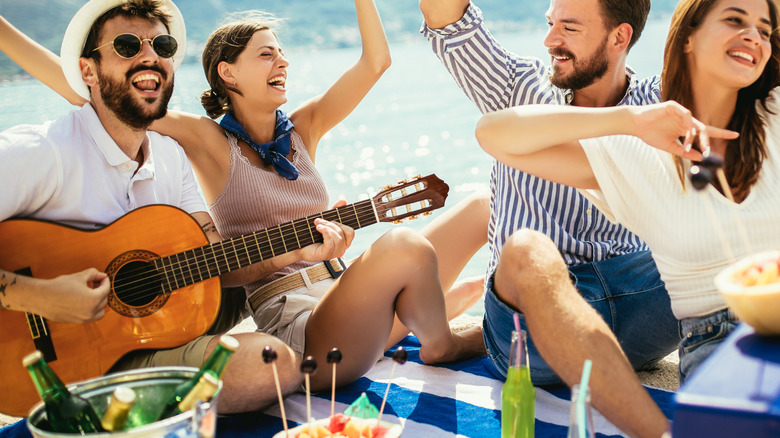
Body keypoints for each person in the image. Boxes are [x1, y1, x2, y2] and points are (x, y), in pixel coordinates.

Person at [0, 0, 486, 397]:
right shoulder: (207, 141)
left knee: (481, 206)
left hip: (339, 290)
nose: (284, 62)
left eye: (282, 53)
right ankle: (434, 335)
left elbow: (376, 63)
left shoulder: (304, 128)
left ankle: (414, 315)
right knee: (402, 245)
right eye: (267, 54)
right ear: (227, 73)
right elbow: (101, 95)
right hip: (297, 315)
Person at [477, 0, 780, 433]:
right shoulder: (639, 151)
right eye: (734, 20)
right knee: (525, 247)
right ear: (689, 37)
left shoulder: (775, 116)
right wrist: (629, 119)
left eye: (764, 30)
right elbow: (494, 134)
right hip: (720, 348)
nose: (753, 35)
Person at [0, 0, 309, 415]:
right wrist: (39, 296)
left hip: (143, 337)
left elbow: (217, 260)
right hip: (57, 363)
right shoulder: (42, 151)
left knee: (262, 329)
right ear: (88, 71)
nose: (150, 56)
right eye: (127, 45)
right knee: (268, 365)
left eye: (162, 46)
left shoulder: (170, 156)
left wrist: (297, 249)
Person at [418, 0, 680, 387]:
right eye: (550, 23)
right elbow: (443, 14)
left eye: (569, 28)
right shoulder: (515, 86)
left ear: (619, 37)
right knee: (525, 252)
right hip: (534, 329)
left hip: (639, 313)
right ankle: (491, 337)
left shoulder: (660, 101)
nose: (550, 40)